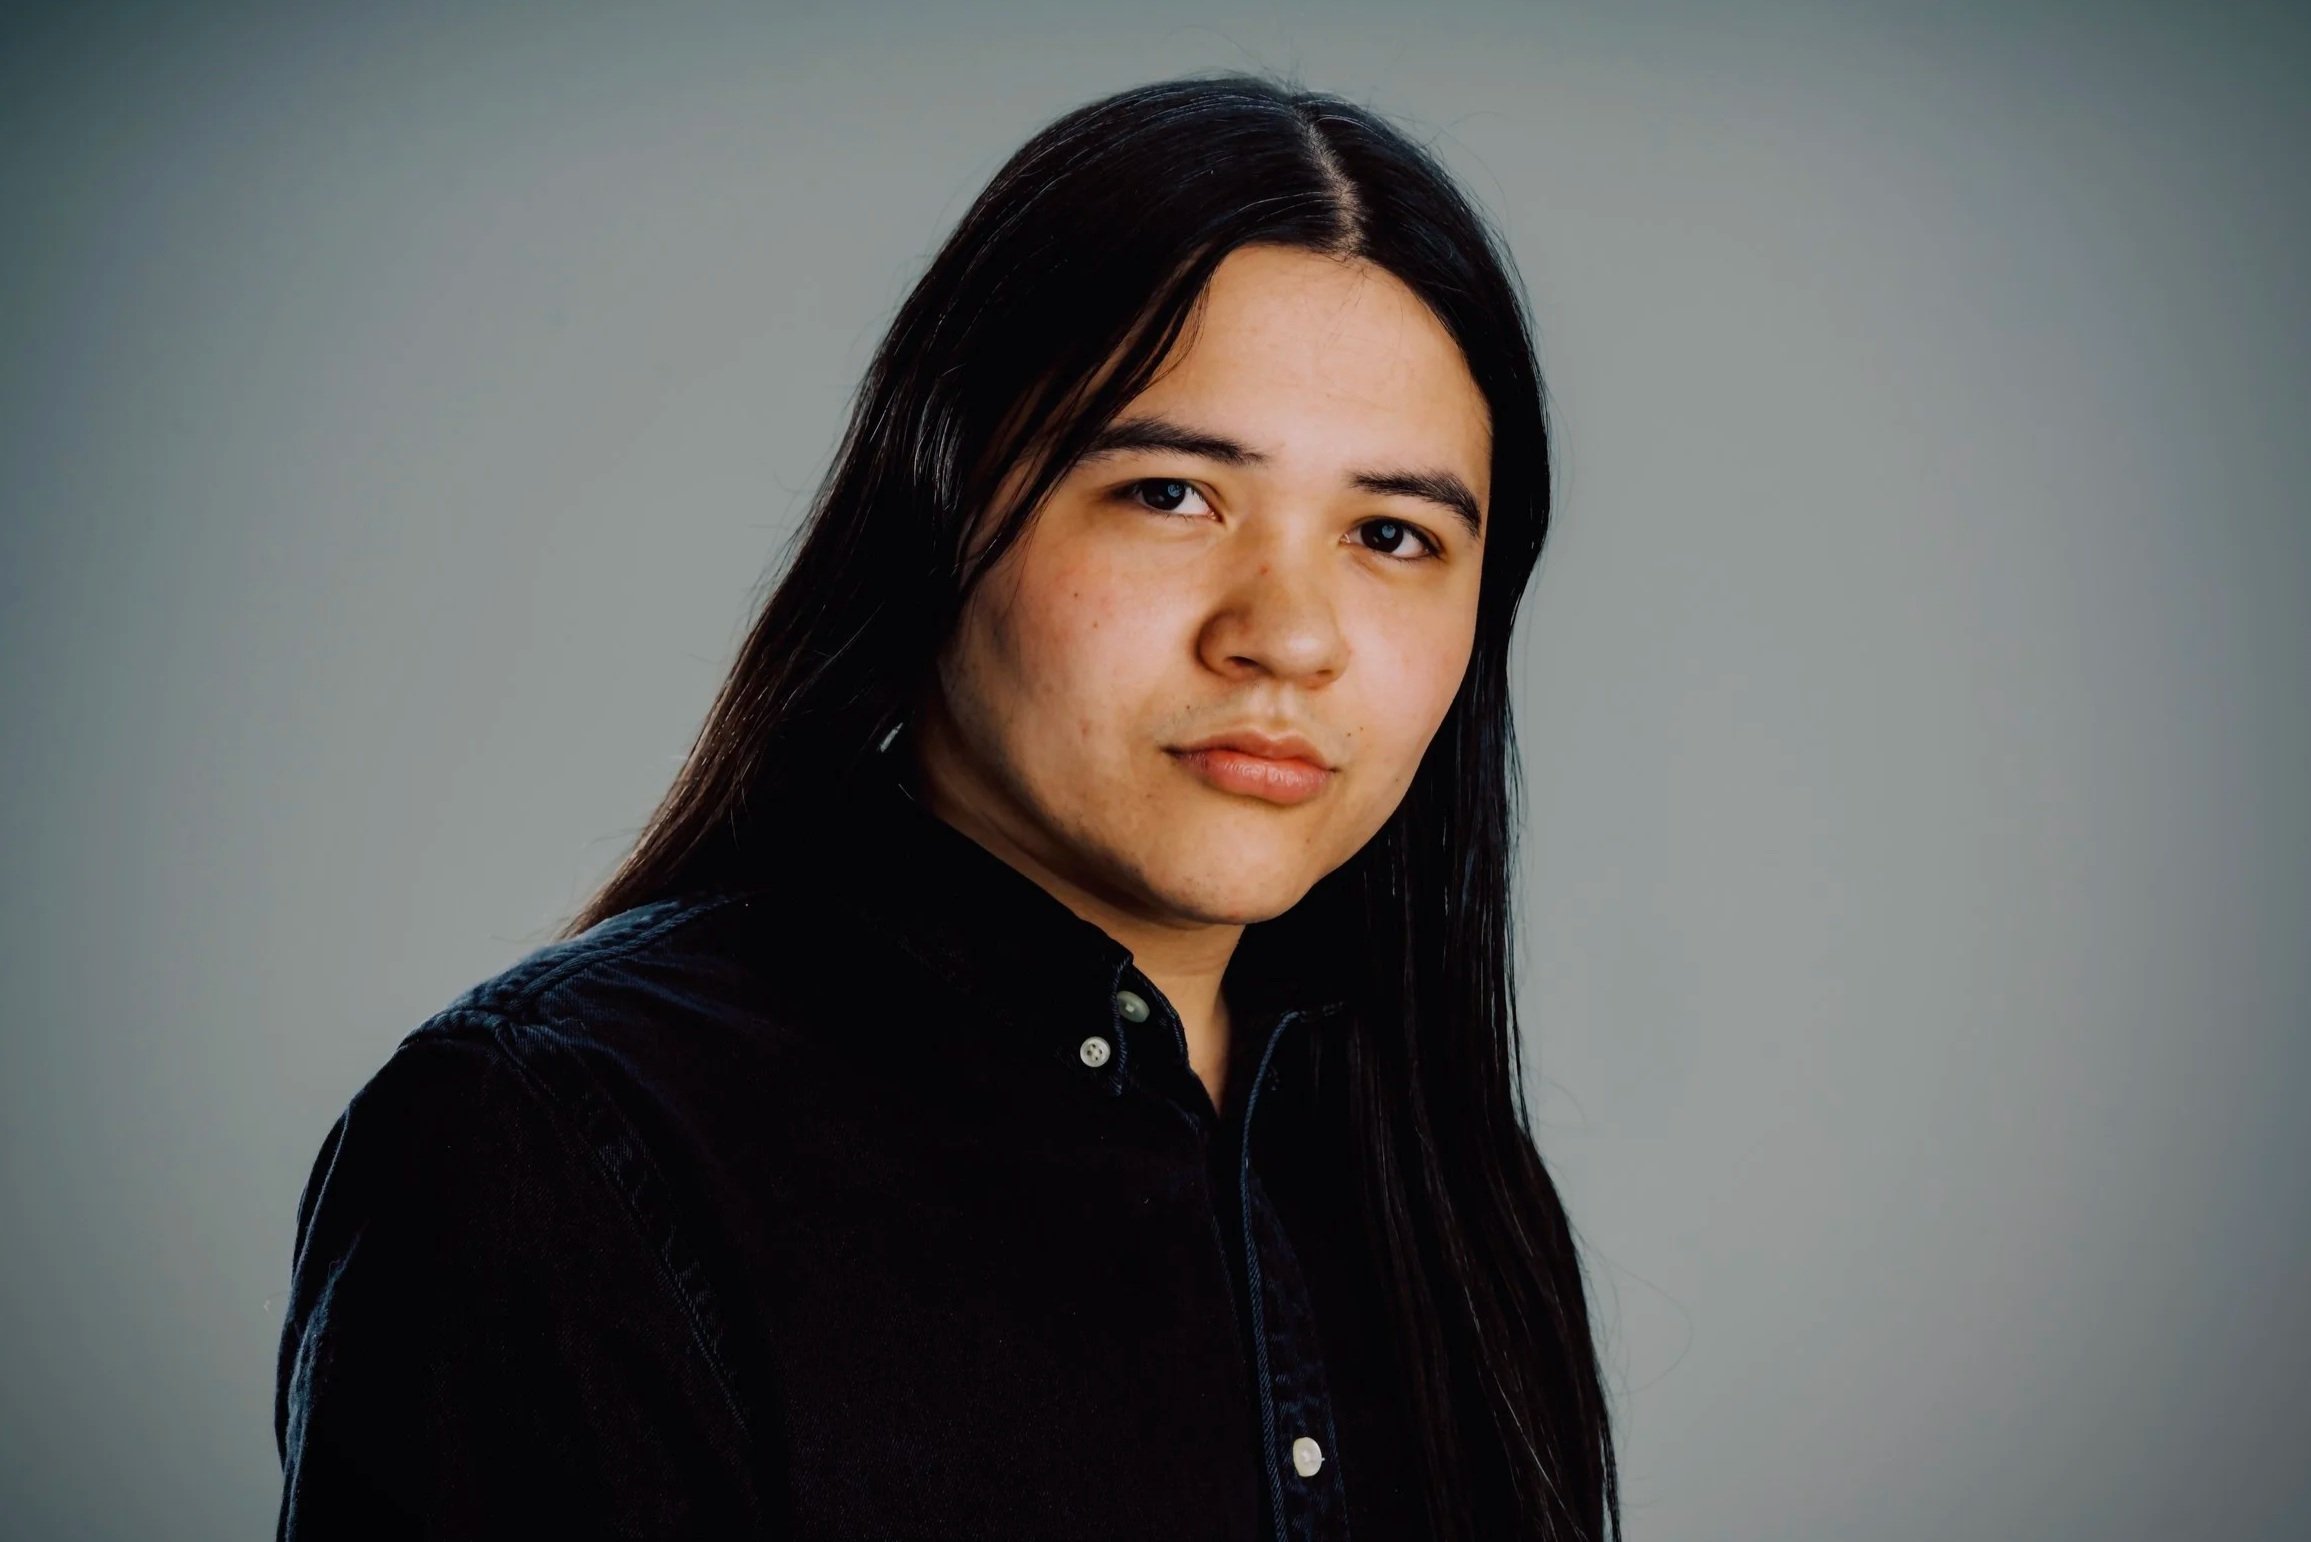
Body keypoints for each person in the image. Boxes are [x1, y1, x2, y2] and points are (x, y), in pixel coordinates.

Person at [272, 72, 1618, 1542]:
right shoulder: (554, 1153)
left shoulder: (1421, 1157)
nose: (1287, 634)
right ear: (938, 500)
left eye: (1391, 533)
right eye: (1171, 493)